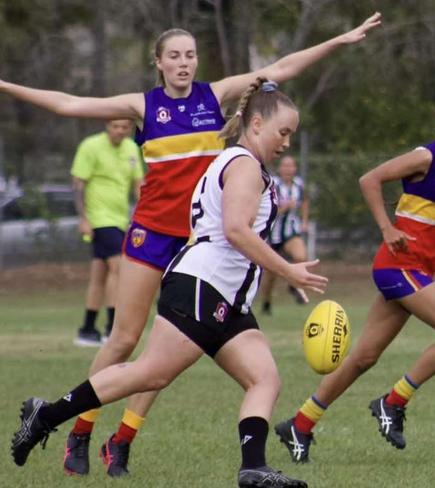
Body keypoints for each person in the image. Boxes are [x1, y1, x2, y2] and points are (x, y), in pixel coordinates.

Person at [0, 12, 381, 477]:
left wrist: (339, 39)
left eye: (191, 55)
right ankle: (78, 431)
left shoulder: (214, 96)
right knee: (125, 341)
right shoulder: (144, 106)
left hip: (201, 238)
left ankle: (123, 441)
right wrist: (6, 85)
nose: (184, 63)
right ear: (158, 62)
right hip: (158, 235)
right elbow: (67, 104)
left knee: (167, 364)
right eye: (175, 56)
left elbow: (280, 70)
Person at [274, 93, 435, 463]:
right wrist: (386, 227)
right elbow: (369, 179)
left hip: (419, 272)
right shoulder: (426, 157)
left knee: (363, 357)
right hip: (397, 267)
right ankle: (391, 402)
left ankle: (300, 423)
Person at [71, 119, 143, 346]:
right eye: (115, 126)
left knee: (99, 275)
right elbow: (78, 184)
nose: (120, 131)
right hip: (99, 220)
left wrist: (143, 217)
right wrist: (83, 218)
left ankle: (87, 329)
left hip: (121, 220)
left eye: (125, 127)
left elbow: (139, 185)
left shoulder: (131, 148)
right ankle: (111, 328)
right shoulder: (91, 146)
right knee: (118, 270)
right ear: (107, 126)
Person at [260, 155, 310, 314]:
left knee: (301, 256)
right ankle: (266, 304)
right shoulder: (272, 184)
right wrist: (284, 208)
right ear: (280, 169)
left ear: (295, 169)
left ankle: (292, 285)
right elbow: (267, 209)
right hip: (272, 235)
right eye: (285, 166)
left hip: (290, 232)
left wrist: (304, 221)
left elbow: (305, 201)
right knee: (270, 275)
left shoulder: (299, 185)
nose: (288, 169)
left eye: (291, 166)